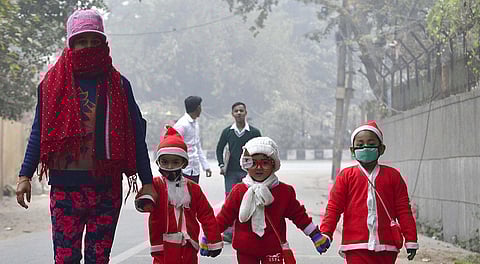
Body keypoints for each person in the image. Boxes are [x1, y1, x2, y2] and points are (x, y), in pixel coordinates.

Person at [15, 9, 157, 264]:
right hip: (64, 189)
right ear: (71, 44)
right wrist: (25, 175)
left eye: (94, 41)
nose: (88, 47)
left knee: (98, 259)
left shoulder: (120, 85)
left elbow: (136, 134)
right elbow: (38, 131)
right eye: (81, 41)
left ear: (103, 43)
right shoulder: (51, 84)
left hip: (106, 188)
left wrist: (147, 181)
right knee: (65, 258)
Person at [203, 137, 327, 263]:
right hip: (245, 250)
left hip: (273, 248)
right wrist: (210, 236)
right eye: (253, 162)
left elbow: (299, 216)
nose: (259, 168)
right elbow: (224, 217)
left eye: (265, 163)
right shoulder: (238, 191)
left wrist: (315, 235)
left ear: (274, 165)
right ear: (245, 164)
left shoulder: (284, 192)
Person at [319, 120, 419, 263]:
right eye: (360, 145)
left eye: (371, 144)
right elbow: (334, 208)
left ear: (382, 149)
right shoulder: (346, 176)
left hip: (387, 247)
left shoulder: (393, 176)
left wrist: (411, 239)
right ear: (353, 150)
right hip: (355, 247)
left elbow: (403, 210)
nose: (365, 148)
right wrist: (326, 233)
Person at [144, 127, 223, 264]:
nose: (169, 166)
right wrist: (144, 201)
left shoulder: (193, 188)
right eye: (165, 162)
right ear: (158, 162)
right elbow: (144, 199)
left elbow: (206, 215)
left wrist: (213, 239)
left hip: (188, 245)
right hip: (161, 246)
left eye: (175, 162)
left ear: (184, 163)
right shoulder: (155, 185)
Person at [215, 102, 261, 242]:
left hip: (248, 173)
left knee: (250, 200)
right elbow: (219, 148)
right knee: (230, 201)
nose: (239, 113)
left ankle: (249, 229)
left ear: (246, 112)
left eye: (241, 110)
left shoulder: (254, 132)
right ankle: (229, 232)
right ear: (233, 114)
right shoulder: (227, 132)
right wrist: (221, 165)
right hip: (230, 173)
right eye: (236, 111)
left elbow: (260, 150)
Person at [173, 96, 211, 183]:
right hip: (183, 169)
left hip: (194, 169)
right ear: (198, 108)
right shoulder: (182, 125)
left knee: (193, 194)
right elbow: (174, 145)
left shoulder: (195, 124)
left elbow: (198, 147)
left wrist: (206, 166)